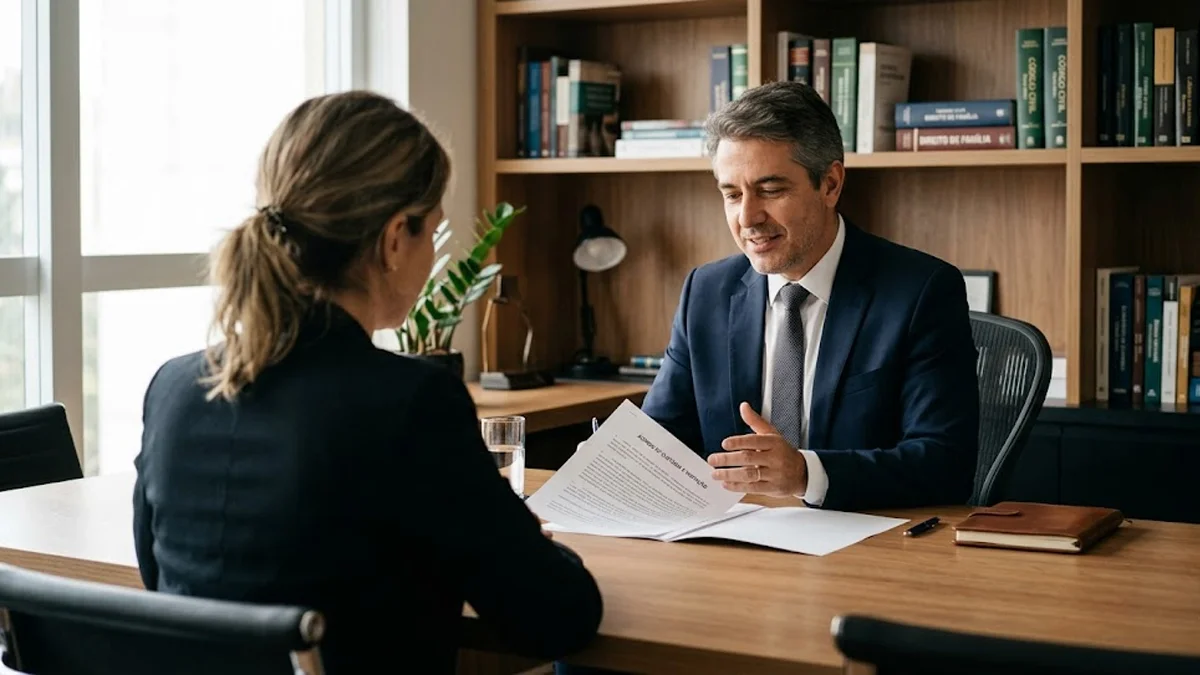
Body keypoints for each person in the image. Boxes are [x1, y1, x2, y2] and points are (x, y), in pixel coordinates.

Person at [132, 91, 602, 673]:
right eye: (432, 230)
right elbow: (555, 619)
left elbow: (165, 587)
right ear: (394, 238)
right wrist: (526, 546)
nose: (431, 253)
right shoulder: (410, 403)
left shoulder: (175, 389)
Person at [641, 80, 980, 512]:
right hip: (732, 548)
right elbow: (658, 440)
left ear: (831, 184)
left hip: (867, 549)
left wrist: (805, 474)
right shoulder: (705, 293)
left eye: (770, 190)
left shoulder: (921, 292)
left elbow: (945, 464)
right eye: (731, 195)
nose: (748, 217)